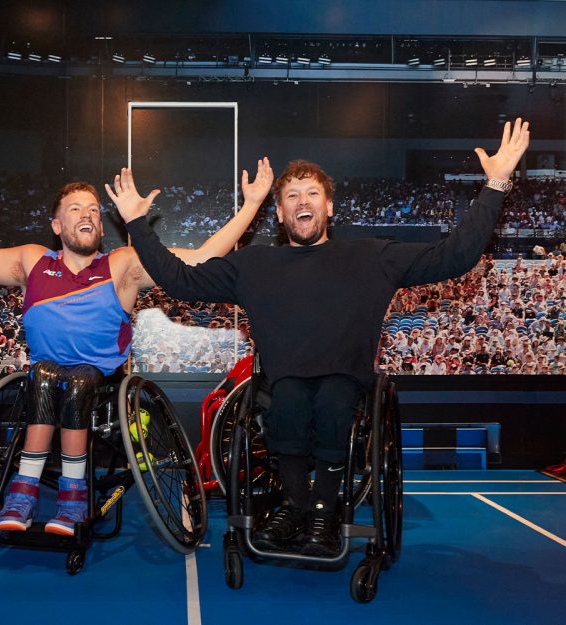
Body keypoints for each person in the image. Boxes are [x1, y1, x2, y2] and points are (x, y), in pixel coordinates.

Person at [109, 119, 530, 556]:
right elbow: (181, 281)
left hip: (345, 384)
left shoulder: (371, 256)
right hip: (283, 383)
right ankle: (295, 505)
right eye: (291, 195)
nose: (301, 201)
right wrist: (137, 223)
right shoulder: (254, 265)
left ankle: (325, 510)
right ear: (280, 213)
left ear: (329, 208)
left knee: (331, 399)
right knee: (288, 397)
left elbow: (456, 255)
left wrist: (497, 182)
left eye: (312, 193)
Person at [0, 158, 274, 536]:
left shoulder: (122, 264)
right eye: (75, 208)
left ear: (100, 226)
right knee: (49, 375)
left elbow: (203, 257)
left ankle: (72, 499)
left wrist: (252, 204)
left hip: (99, 382)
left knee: (79, 379)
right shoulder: (32, 262)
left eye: (93, 210)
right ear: (56, 224)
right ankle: (22, 495)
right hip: (45, 377)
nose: (87, 214)